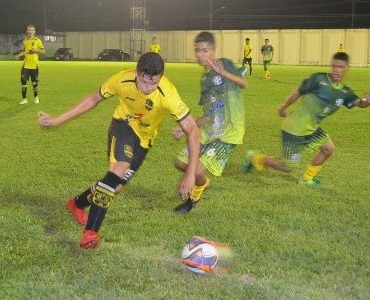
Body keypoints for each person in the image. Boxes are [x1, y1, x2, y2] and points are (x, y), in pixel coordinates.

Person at [37, 52, 200, 249]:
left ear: (161, 77)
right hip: (123, 124)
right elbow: (93, 99)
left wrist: (190, 174)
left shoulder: (168, 94)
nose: (148, 88)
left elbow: (192, 130)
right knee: (119, 168)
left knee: (115, 186)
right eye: (144, 82)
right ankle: (90, 233)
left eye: (154, 83)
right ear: (137, 72)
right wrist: (57, 120)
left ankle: (77, 204)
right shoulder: (122, 79)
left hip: (145, 139)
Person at [243, 52, 370, 186]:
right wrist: (282, 108)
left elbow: (359, 103)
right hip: (294, 128)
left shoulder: (344, 92)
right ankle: (255, 158)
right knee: (287, 166)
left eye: (340, 67)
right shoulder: (319, 79)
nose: (336, 70)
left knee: (328, 149)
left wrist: (367, 102)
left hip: (311, 128)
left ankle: (307, 178)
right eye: (334, 66)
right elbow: (298, 92)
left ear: (347, 68)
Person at [172, 31, 247, 214]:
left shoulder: (225, 64)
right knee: (180, 164)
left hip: (228, 131)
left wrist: (223, 72)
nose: (201, 55)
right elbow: (208, 112)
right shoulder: (205, 79)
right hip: (210, 129)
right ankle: (204, 183)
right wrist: (186, 129)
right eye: (197, 51)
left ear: (213, 50)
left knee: (196, 171)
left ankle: (193, 199)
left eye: (205, 51)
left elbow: (243, 83)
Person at [15, 25, 45, 105]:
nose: (30, 31)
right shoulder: (25, 41)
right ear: (27, 31)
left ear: (34, 32)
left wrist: (37, 49)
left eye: (32, 30)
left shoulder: (38, 40)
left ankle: (36, 97)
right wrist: (19, 56)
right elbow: (23, 52)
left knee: (35, 83)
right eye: (29, 30)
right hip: (26, 65)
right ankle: (24, 99)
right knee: (23, 81)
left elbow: (43, 51)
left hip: (34, 65)